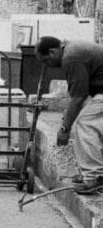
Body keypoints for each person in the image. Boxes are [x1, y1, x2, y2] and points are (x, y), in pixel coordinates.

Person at [35, 36, 103, 195]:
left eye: (45, 61)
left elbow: (79, 96)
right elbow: (81, 97)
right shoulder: (72, 49)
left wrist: (65, 128)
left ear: (52, 52)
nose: (47, 66)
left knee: (86, 124)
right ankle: (93, 173)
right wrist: (66, 120)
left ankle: (95, 176)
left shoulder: (70, 58)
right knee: (92, 121)